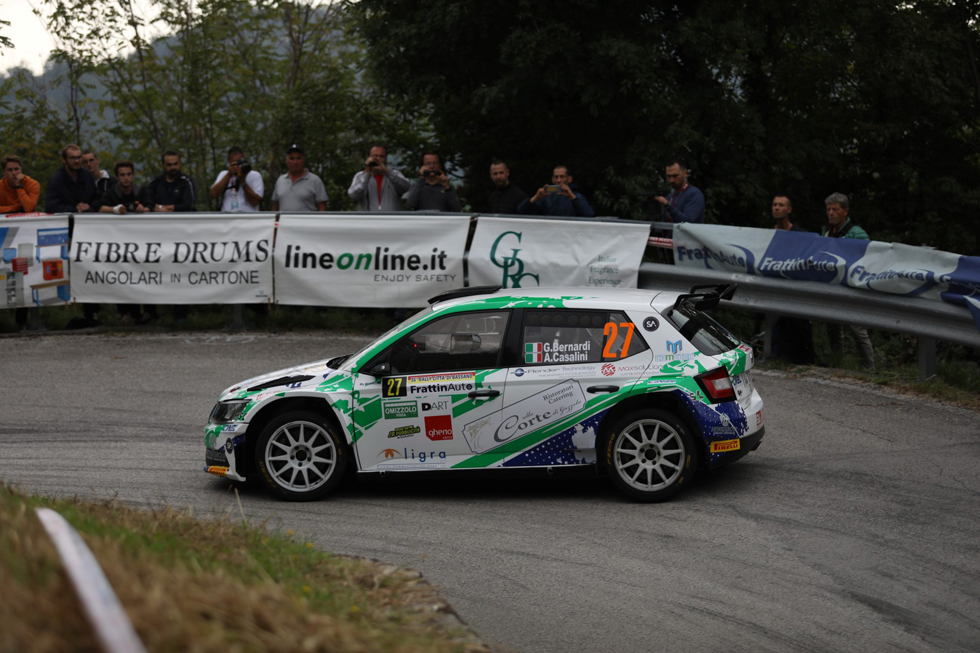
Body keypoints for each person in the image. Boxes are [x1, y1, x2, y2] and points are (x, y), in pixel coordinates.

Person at [822, 192, 875, 371]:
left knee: (857, 328)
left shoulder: (857, 233)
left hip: (851, 287)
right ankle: (838, 363)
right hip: (832, 286)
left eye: (835, 209)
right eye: (828, 209)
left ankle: (869, 367)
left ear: (845, 211)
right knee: (833, 328)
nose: (831, 213)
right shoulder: (826, 231)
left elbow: (867, 257)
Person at [763, 194, 814, 364]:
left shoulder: (801, 235)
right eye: (774, 204)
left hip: (796, 288)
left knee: (798, 325)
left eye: (781, 205)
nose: (777, 208)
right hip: (773, 287)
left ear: (789, 209)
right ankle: (774, 354)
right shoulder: (767, 235)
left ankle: (804, 357)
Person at [347, 144, 410, 211]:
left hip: (391, 219)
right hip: (369, 220)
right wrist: (366, 175)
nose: (378, 159)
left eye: (381, 156)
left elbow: (405, 187)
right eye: (375, 156)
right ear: (369, 158)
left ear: (386, 159)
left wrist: (387, 171)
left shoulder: (394, 173)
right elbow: (353, 195)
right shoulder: (360, 176)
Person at [516, 164, 595, 217]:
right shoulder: (546, 197)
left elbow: (589, 214)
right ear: (552, 180)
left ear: (569, 179)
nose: (558, 180)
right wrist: (535, 198)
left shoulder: (577, 196)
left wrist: (573, 197)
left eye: (562, 177)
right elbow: (520, 211)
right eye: (556, 177)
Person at [271, 145, 328, 212]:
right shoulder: (280, 180)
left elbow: (322, 208)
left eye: (298, 158)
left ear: (303, 160)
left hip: (307, 222)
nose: (295, 162)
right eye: (291, 158)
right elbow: (275, 206)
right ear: (286, 161)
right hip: (284, 222)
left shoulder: (315, 180)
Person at [45, 143, 96, 213]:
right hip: (65, 222)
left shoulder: (88, 176)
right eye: (72, 158)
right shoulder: (56, 180)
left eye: (79, 157)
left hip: (87, 220)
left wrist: (89, 207)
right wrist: (75, 209)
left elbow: (97, 198)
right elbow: (50, 206)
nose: (77, 161)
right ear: (64, 160)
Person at [210, 146, 264, 212]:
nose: (239, 166)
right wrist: (229, 175)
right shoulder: (224, 174)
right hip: (227, 218)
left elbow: (255, 201)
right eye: (235, 163)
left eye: (240, 162)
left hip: (249, 218)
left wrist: (243, 182)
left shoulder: (255, 175)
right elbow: (214, 193)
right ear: (230, 163)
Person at [653, 158, 704, 223]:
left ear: (685, 173)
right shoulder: (670, 196)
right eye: (668, 176)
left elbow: (688, 222)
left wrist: (668, 206)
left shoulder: (694, 194)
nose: (671, 180)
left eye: (675, 176)